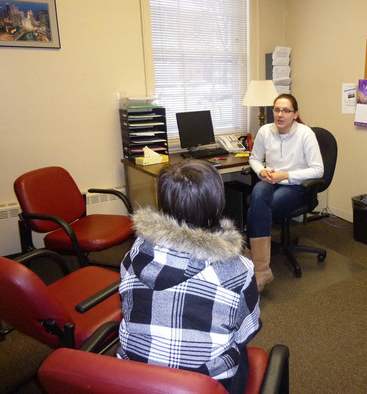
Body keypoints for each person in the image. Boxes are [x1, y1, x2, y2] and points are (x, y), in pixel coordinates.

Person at [117, 159, 260, 394]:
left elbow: (128, 306)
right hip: (203, 384)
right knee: (239, 348)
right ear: (217, 203)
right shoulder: (238, 269)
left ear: (162, 202)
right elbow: (247, 330)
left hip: (136, 378)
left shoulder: (135, 252)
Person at [246, 94, 324, 291]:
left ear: (295, 114)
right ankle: (260, 267)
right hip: (270, 179)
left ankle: (255, 264)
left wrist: (285, 175)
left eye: (286, 111)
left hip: (296, 185)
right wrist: (261, 171)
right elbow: (254, 158)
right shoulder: (265, 131)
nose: (280, 115)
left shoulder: (305, 134)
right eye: (277, 110)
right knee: (256, 198)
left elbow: (318, 170)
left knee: (262, 208)